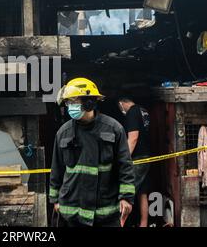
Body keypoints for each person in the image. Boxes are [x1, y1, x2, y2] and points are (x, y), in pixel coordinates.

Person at [49, 78, 135, 227]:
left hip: (105, 213)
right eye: (68, 102)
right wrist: (55, 200)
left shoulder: (114, 129)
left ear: (89, 102)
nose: (70, 106)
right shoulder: (63, 133)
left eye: (74, 101)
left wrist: (126, 197)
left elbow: (125, 166)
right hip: (71, 213)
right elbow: (57, 169)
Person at [118, 97, 151, 227]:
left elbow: (133, 138)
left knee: (126, 193)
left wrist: (124, 159)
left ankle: (119, 223)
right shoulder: (144, 111)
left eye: (119, 107)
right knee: (142, 193)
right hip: (147, 157)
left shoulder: (132, 112)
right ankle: (144, 224)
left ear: (122, 103)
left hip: (137, 159)